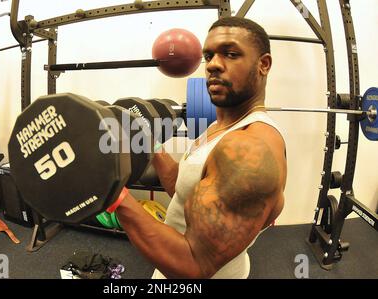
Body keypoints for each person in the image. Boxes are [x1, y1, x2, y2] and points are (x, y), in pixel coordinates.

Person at [113, 17, 287, 278]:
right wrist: (148, 141)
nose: (213, 65)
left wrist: (112, 196)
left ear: (263, 64)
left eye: (230, 54)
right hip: (169, 263)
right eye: (209, 55)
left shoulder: (248, 148)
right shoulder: (220, 127)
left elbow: (195, 265)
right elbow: (184, 188)